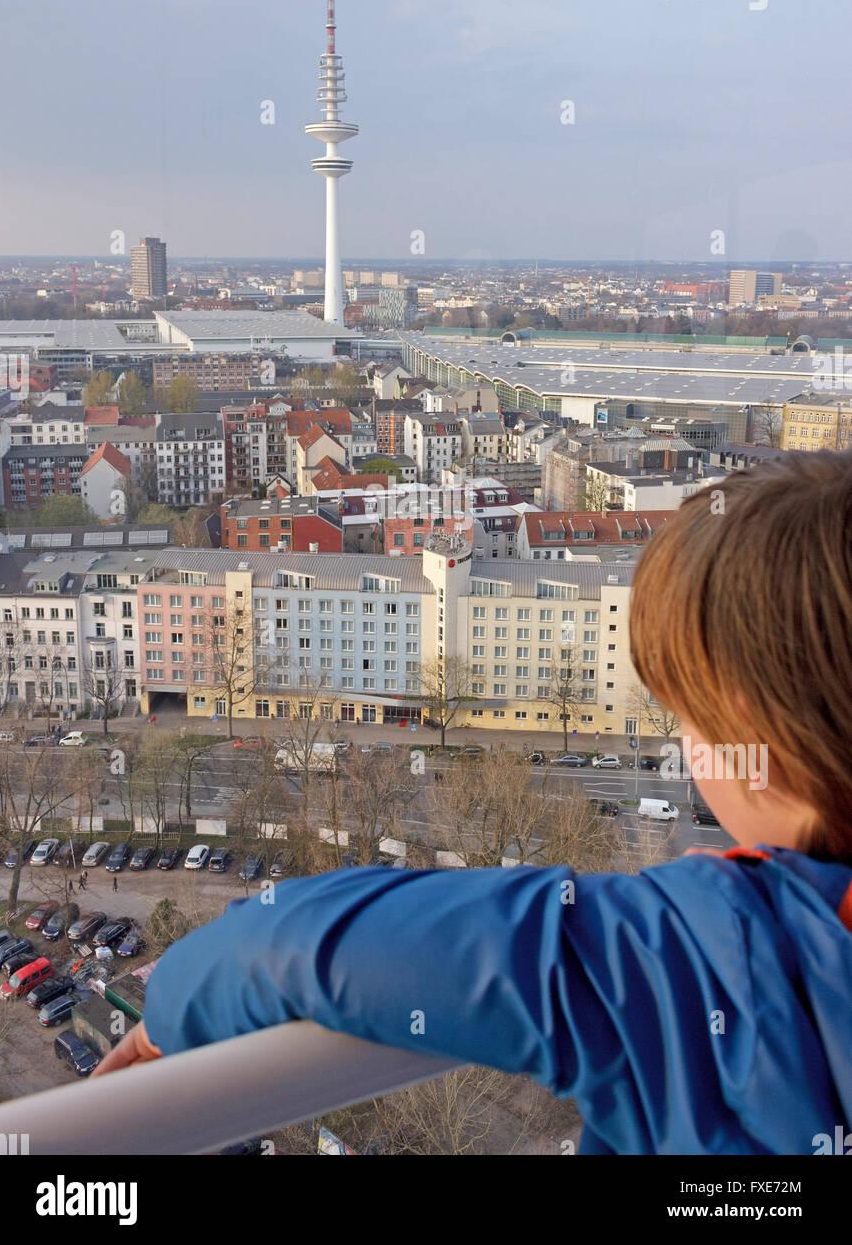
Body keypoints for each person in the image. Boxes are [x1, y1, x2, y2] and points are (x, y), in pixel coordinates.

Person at [93, 453, 852, 1155]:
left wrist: (174, 1015)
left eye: (688, 712)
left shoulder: (726, 954)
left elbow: (312, 947)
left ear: (756, 735)